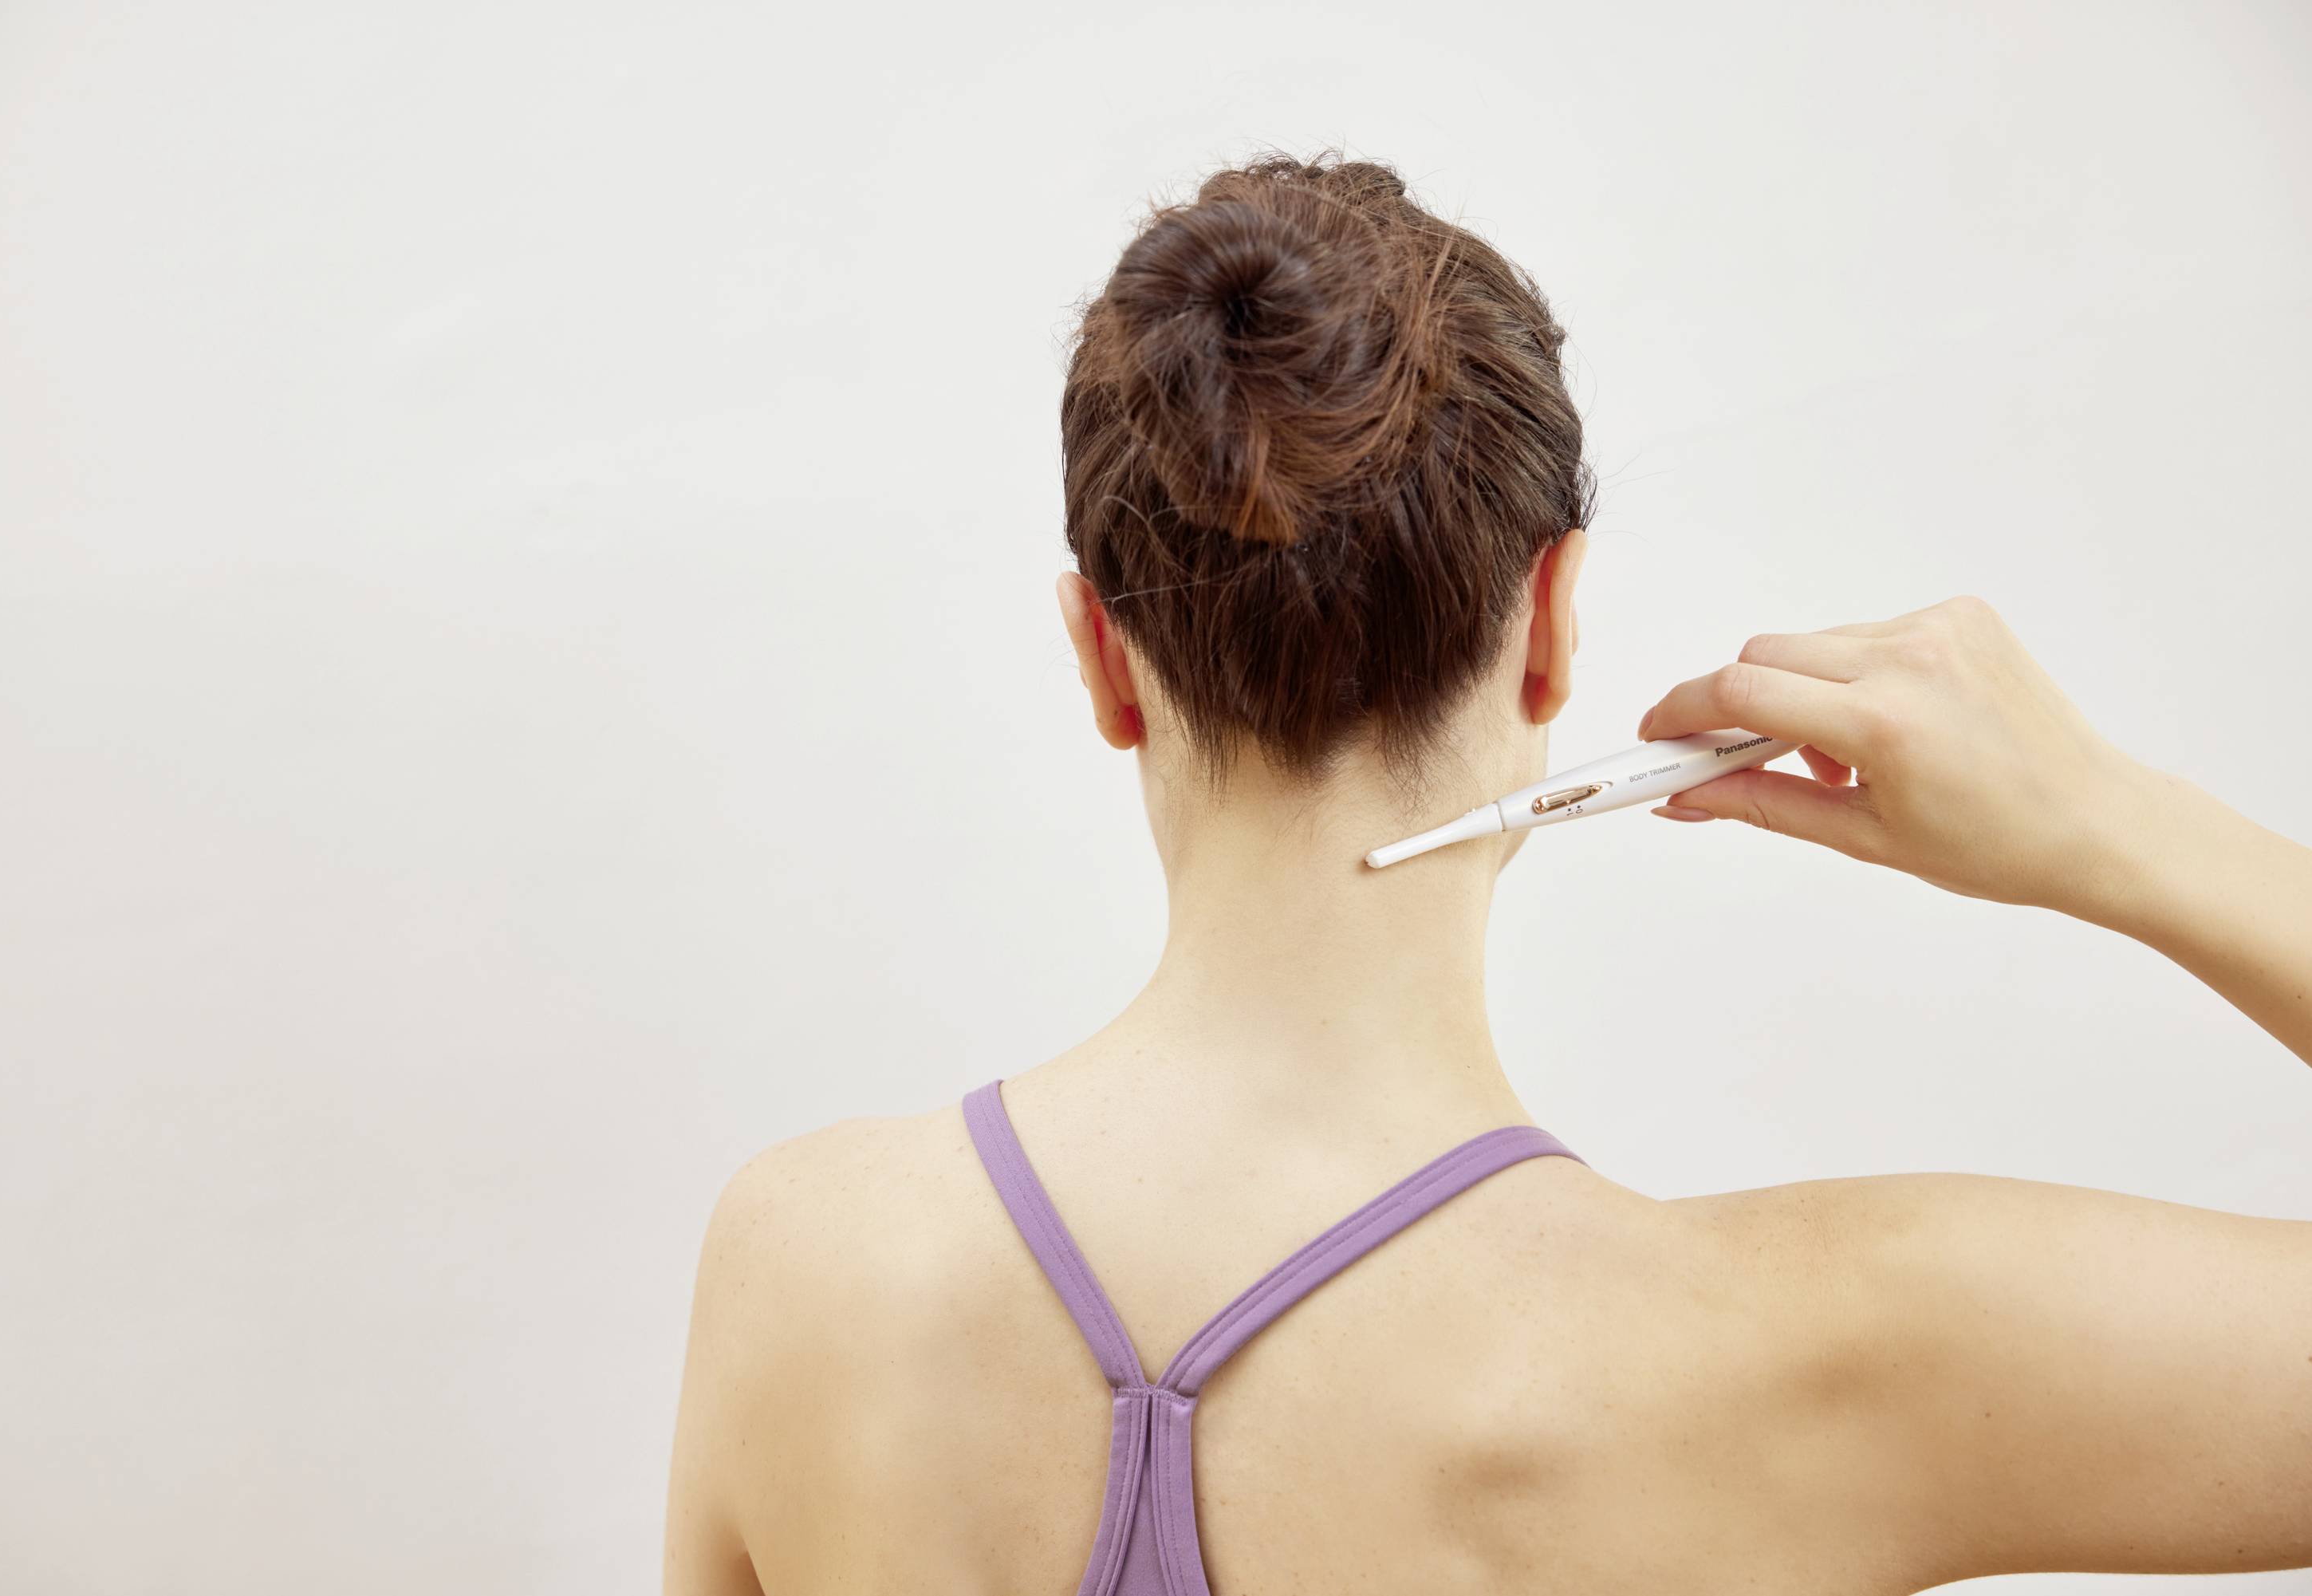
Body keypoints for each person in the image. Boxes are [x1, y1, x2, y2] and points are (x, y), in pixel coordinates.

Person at [663, 151, 2312, 1595]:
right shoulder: (1831, 1351)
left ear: (1103, 655)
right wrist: (2115, 823)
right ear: (1552, 625)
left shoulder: (802, 1266)